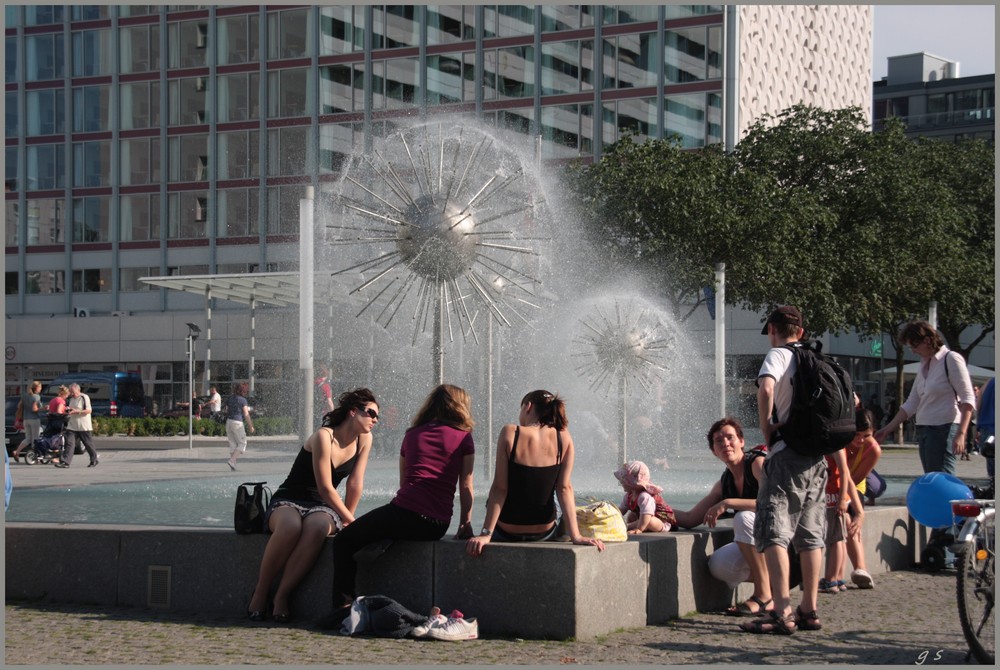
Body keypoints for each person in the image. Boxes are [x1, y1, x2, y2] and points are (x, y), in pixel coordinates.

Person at [325, 384, 475, 625]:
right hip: (437, 524)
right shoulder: (464, 438)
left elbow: (405, 484)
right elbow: (466, 485)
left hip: (406, 513)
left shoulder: (412, 434)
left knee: (344, 540)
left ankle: (343, 607)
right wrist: (465, 523)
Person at [247, 388, 377, 624]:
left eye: (377, 416)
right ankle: (261, 590)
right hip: (289, 498)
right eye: (371, 413)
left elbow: (355, 483)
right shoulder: (323, 436)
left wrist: (348, 519)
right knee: (289, 527)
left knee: (317, 528)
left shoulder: (364, 439)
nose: (375, 419)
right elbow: (326, 487)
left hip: (322, 507)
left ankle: (282, 595)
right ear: (352, 412)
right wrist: (352, 521)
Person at [740, 305, 826, 635]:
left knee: (774, 529)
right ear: (801, 332)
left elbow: (765, 389)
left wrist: (766, 428)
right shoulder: (816, 358)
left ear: (773, 330)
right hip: (816, 457)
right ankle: (810, 610)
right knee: (810, 535)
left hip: (787, 452)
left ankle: (781, 610)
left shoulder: (779, 355)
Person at [465, 390, 605, 557]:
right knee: (555, 498)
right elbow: (564, 489)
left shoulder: (511, 432)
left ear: (528, 407)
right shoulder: (564, 437)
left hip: (507, 530)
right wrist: (576, 536)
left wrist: (486, 534)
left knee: (493, 498)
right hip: (544, 532)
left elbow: (500, 489)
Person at [673, 417, 771, 617]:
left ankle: (763, 595)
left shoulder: (757, 463)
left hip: (782, 540)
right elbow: (691, 518)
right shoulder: (724, 483)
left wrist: (728, 503)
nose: (725, 443)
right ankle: (775, 584)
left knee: (742, 518)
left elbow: (772, 503)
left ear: (741, 442)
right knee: (719, 566)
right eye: (719, 440)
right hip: (761, 543)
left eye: (730, 437)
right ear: (713, 451)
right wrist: (655, 509)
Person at [874, 320, 976, 475]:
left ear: (927, 340)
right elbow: (911, 403)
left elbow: (968, 398)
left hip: (944, 429)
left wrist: (961, 433)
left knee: (942, 480)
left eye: (914, 346)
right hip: (925, 429)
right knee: (932, 478)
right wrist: (887, 430)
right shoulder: (924, 365)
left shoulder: (951, 359)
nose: (913, 351)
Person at [841, 409, 881, 588]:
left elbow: (854, 479)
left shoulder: (873, 449)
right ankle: (858, 568)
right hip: (834, 484)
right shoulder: (839, 442)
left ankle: (861, 569)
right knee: (848, 516)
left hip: (854, 485)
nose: (860, 440)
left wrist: (858, 510)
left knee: (851, 516)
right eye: (856, 435)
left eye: (866, 435)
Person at [818, 446, 864, 594]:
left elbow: (844, 473)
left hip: (834, 498)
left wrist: (842, 500)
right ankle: (838, 578)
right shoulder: (836, 444)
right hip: (836, 498)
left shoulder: (835, 445)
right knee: (839, 540)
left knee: (835, 540)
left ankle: (830, 580)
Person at [614, 460, 676, 534]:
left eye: (623, 481)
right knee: (631, 515)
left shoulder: (644, 496)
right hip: (644, 518)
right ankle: (632, 526)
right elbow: (620, 511)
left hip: (662, 522)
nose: (621, 483)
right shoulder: (628, 496)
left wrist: (639, 529)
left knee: (649, 520)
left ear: (633, 483)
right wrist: (611, 519)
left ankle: (632, 527)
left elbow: (647, 514)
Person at [56, 383, 99, 468]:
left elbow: (89, 410)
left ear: (78, 390)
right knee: (69, 443)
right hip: (72, 425)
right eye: (71, 392)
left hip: (83, 426)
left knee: (88, 444)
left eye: (73, 392)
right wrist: (68, 410)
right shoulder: (71, 399)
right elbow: (70, 409)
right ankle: (65, 462)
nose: (72, 394)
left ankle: (94, 459)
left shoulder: (84, 397)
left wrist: (76, 411)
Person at [226, 382, 255, 471]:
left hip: (229, 422)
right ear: (243, 391)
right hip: (237, 422)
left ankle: (233, 465)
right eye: (246, 390)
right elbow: (246, 414)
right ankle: (232, 460)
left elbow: (226, 409)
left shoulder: (230, 398)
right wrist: (251, 426)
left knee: (233, 444)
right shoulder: (243, 400)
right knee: (242, 443)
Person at [12, 381, 43, 463]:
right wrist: (44, 408)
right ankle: (34, 456)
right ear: (36, 388)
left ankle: (17, 451)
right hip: (34, 419)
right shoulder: (36, 397)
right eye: (40, 387)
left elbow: (19, 405)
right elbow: (35, 409)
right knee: (35, 438)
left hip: (26, 419)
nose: (41, 389)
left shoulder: (25, 396)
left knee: (28, 438)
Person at [976, 377, 994, 486]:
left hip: (986, 428)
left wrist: (977, 427)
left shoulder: (989, 382)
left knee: (992, 471)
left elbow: (978, 404)